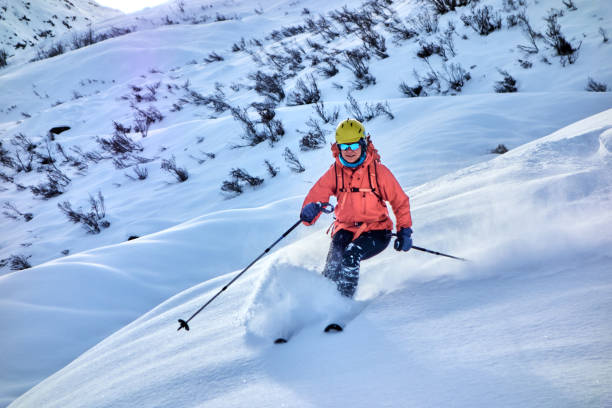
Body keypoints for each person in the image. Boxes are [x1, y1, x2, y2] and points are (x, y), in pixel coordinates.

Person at [300, 118, 413, 298]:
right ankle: (322, 302)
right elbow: (316, 195)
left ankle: (342, 302)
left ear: (362, 144)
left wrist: (404, 231)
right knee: (334, 261)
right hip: (345, 228)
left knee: (351, 255)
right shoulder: (335, 172)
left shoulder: (378, 172)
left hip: (376, 231)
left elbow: (400, 201)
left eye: (353, 146)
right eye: (344, 147)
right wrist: (309, 210)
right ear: (338, 148)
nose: (349, 151)